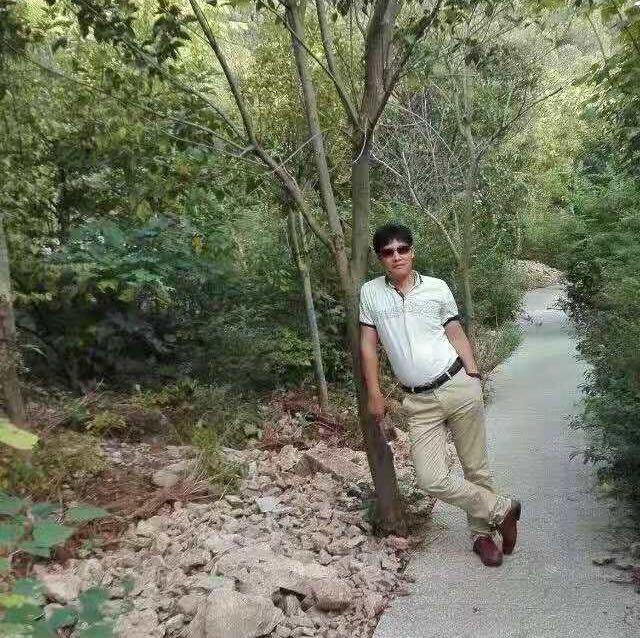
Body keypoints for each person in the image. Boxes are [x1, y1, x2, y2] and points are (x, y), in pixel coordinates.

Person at [359, 223, 520, 567]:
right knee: (430, 478)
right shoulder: (371, 293)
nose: (396, 256)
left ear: (412, 251)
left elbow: (455, 333)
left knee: (476, 467)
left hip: (457, 384)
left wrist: (473, 374)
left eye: (402, 249)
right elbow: (368, 346)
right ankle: (501, 510)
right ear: (380, 258)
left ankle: (482, 535)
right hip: (418, 401)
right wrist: (374, 393)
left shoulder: (437, 288)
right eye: (388, 252)